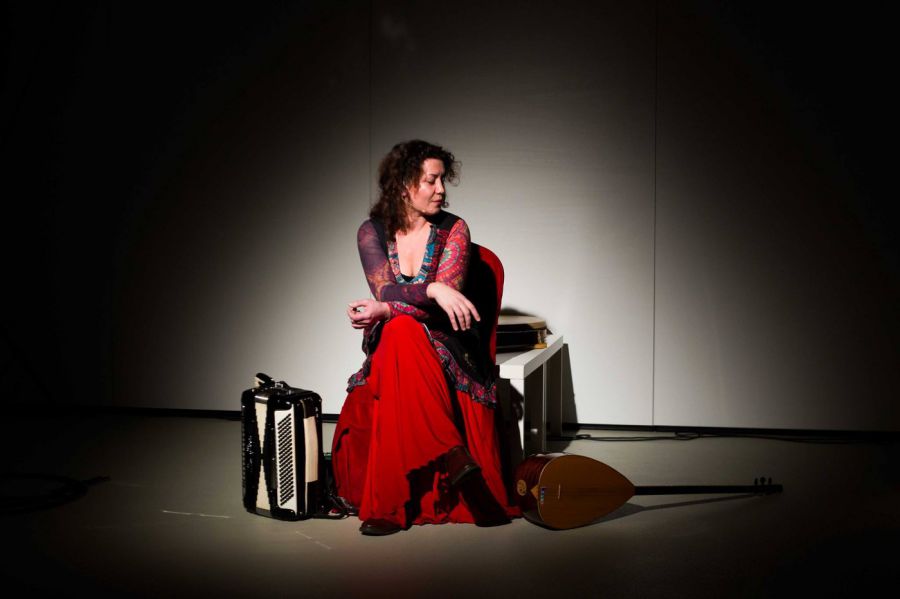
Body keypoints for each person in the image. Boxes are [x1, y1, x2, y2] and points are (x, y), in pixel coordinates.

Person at [331, 140, 521, 535]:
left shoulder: (455, 229)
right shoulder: (372, 232)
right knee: (400, 332)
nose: (441, 190)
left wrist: (391, 309)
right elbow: (386, 290)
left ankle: (388, 507)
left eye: (442, 180)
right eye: (431, 181)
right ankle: (454, 455)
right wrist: (430, 290)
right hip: (397, 343)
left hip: (447, 342)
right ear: (404, 185)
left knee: (398, 327)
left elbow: (434, 307)